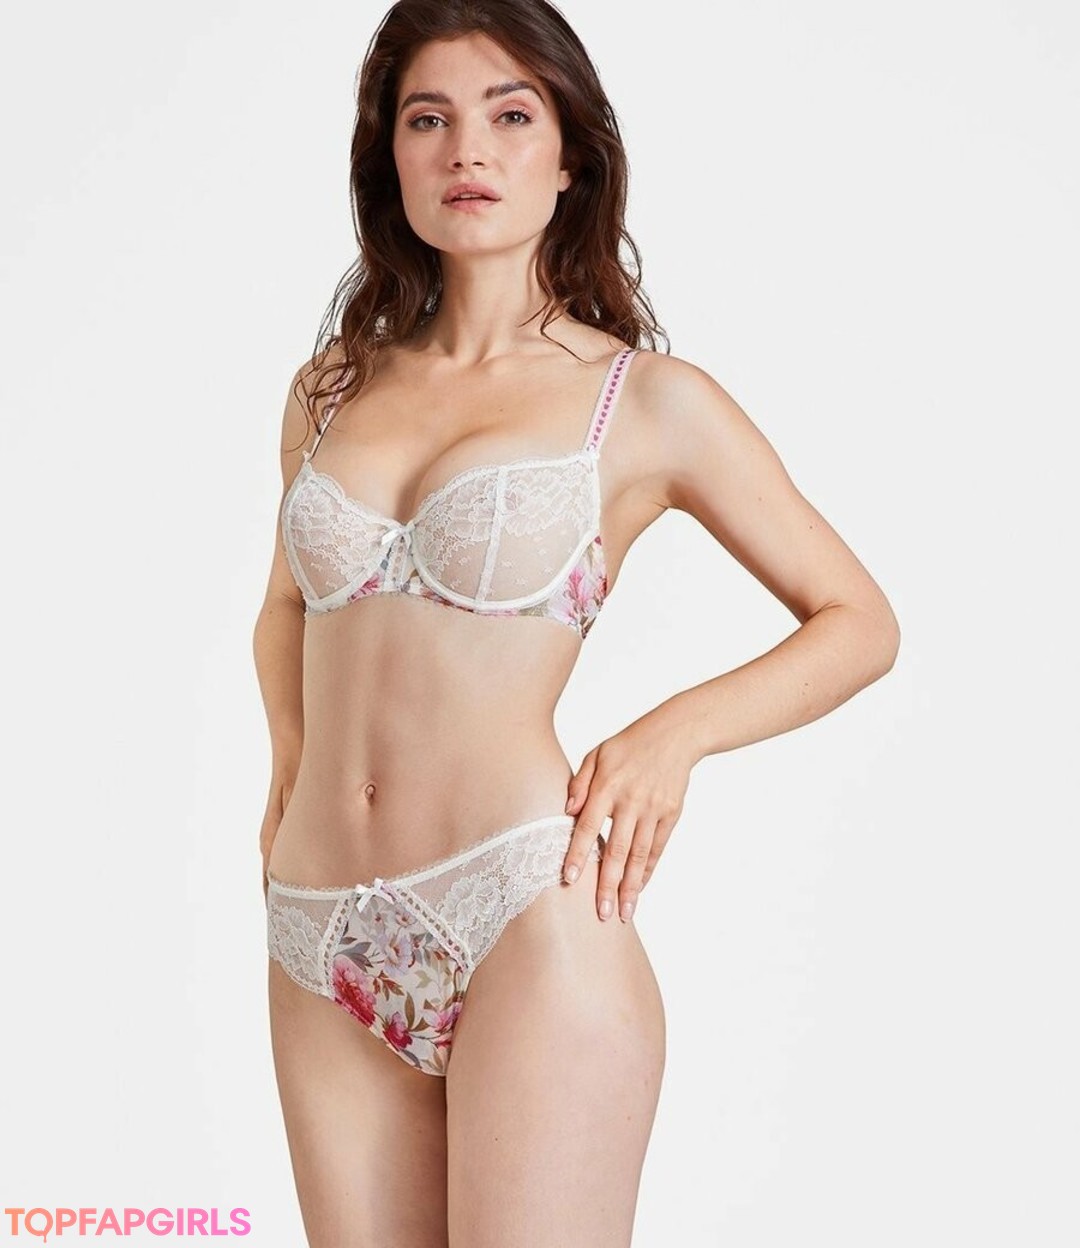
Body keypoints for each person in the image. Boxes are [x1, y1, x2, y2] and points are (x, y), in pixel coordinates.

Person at [252, 2, 900, 1244]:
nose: (467, 151)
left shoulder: (643, 404)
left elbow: (857, 620)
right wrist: (289, 757)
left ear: (570, 158)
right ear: (390, 158)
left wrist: (672, 737)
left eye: (510, 115)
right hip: (314, 923)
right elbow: (287, 602)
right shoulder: (330, 387)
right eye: (428, 119)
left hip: (522, 916)